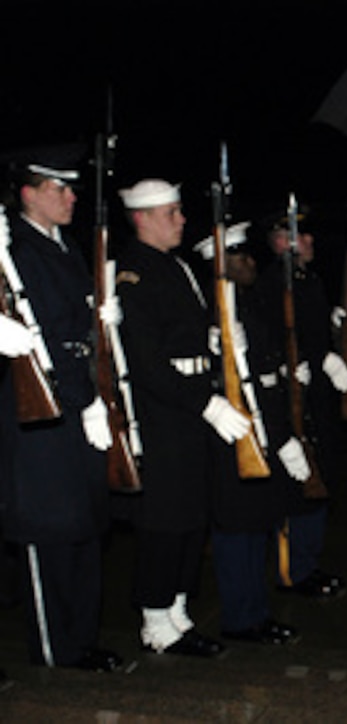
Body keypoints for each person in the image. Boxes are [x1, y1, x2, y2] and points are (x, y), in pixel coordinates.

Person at [0, 147, 123, 672]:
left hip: (78, 403)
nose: (72, 197)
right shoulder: (13, 249)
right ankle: (56, 648)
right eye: (60, 189)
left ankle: (81, 638)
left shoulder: (67, 247)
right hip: (40, 416)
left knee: (83, 526)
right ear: (29, 193)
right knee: (48, 530)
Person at [116, 178, 240, 657]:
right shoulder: (134, 273)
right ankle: (154, 619)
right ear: (142, 218)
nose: (181, 220)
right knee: (164, 521)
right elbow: (146, 363)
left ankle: (178, 609)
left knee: (192, 515)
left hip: (192, 408)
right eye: (171, 213)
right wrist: (204, 402)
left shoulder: (179, 267)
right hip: (165, 413)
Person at [192, 222, 301, 645]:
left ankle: (255, 611)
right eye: (240, 256)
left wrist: (283, 434)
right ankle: (240, 618)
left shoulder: (249, 307)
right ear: (221, 264)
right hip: (230, 436)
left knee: (257, 525)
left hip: (262, 431)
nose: (251, 262)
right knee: (237, 531)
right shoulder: (210, 315)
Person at [256, 209, 347, 599]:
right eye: (296, 234)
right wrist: (314, 358)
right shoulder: (270, 285)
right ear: (276, 241)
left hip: (316, 396)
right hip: (289, 393)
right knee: (295, 484)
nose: (306, 242)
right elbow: (271, 338)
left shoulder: (308, 281)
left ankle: (308, 562)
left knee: (318, 474)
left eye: (308, 235)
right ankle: (292, 570)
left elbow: (312, 331)